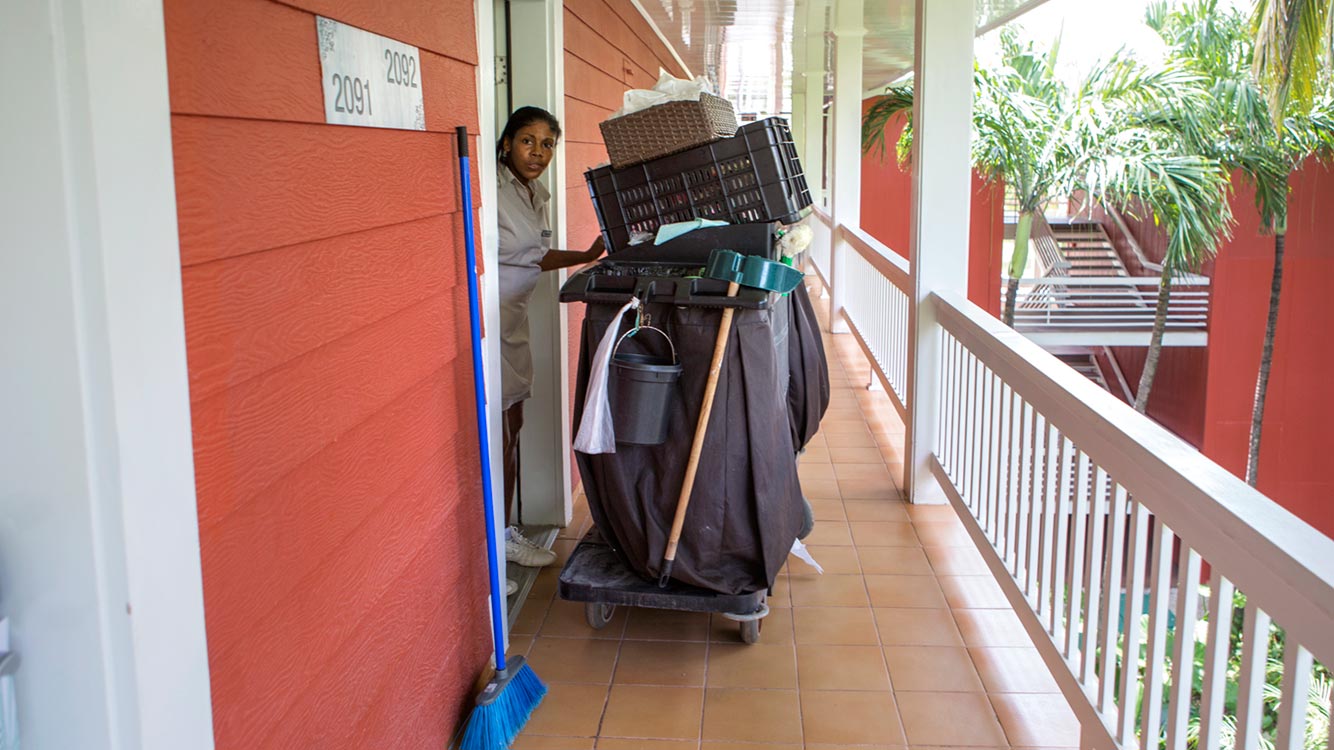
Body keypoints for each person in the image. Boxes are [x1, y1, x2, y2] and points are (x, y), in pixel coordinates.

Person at [495, 106, 605, 593]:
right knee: (498, 435)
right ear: (506, 144)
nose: (537, 152)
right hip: (487, 324)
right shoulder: (491, 193)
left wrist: (585, 257)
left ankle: (503, 534)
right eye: (527, 141)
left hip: (514, 323)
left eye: (547, 144)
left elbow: (533, 256)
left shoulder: (533, 193)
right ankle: (494, 547)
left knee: (514, 425)